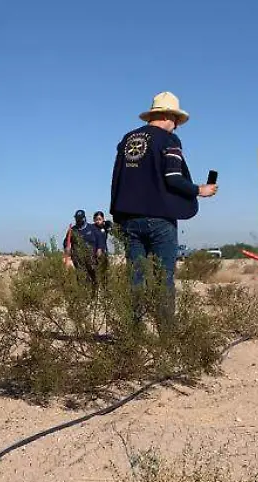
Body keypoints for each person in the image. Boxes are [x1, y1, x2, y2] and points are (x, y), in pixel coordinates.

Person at [109, 92, 217, 316]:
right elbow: (173, 178)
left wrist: (116, 216)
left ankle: (132, 335)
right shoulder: (169, 140)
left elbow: (117, 179)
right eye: (176, 120)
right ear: (168, 115)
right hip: (159, 219)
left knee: (135, 279)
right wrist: (199, 190)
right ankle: (166, 338)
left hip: (129, 219)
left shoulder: (127, 139)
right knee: (162, 279)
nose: (177, 126)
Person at [63, 209, 107, 291]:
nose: (78, 220)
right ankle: (83, 296)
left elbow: (100, 239)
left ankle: (95, 295)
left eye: (80, 219)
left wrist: (99, 249)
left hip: (92, 259)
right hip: (78, 260)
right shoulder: (72, 230)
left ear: (84, 218)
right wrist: (67, 248)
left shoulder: (92, 228)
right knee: (82, 278)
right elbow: (66, 242)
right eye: (77, 219)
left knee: (94, 278)